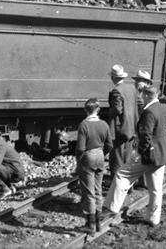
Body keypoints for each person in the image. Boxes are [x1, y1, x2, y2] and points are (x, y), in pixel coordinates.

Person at [105, 84, 166, 226]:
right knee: (155, 189)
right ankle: (154, 219)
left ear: (148, 96)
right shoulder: (165, 108)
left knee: (122, 175)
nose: (141, 97)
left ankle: (111, 207)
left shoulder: (149, 112)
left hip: (148, 154)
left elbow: (146, 136)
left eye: (142, 95)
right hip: (162, 153)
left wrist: (140, 152)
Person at [75, 98, 113, 234]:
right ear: (98, 110)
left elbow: (80, 148)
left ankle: (90, 225)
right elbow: (109, 144)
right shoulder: (104, 124)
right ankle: (98, 223)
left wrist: (79, 159)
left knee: (88, 192)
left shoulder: (84, 125)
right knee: (98, 190)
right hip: (100, 157)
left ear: (85, 110)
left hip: (88, 157)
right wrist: (102, 153)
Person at [107, 64, 139, 179]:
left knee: (117, 159)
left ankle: (116, 185)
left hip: (120, 129)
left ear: (113, 78)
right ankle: (129, 186)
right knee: (128, 157)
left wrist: (108, 114)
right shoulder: (132, 88)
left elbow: (117, 109)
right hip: (131, 128)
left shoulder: (116, 90)